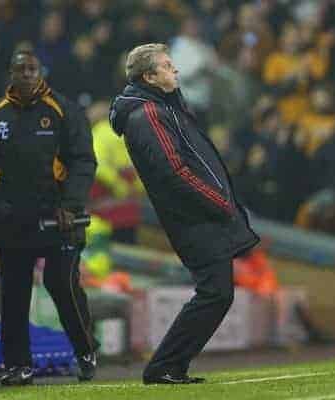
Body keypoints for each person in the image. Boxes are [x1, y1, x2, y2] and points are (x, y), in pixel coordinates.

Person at [109, 43, 259, 384]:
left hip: (199, 215)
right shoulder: (147, 115)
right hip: (193, 217)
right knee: (216, 292)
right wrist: (218, 201)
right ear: (149, 76)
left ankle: (169, 365)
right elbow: (174, 171)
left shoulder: (164, 107)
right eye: (167, 66)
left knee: (217, 292)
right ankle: (163, 365)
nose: (174, 71)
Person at [0, 50, 99, 386]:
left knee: (61, 284)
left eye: (32, 69)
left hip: (59, 217)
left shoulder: (64, 111)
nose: (26, 75)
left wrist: (72, 204)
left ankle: (86, 350)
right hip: (12, 218)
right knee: (14, 292)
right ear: (10, 73)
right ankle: (17, 365)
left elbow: (83, 161)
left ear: (42, 72)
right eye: (20, 69)